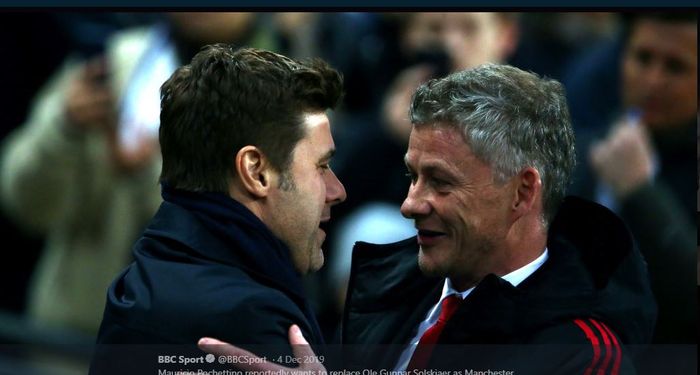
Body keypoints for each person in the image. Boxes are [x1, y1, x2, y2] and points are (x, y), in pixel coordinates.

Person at [199, 64, 657, 374]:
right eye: (412, 176)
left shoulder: (582, 356)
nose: (411, 203)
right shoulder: (390, 285)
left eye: (440, 182)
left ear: (522, 192)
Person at [0, 12, 279, 336]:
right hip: (70, 336)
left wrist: (146, 175)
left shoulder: (284, 89)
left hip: (197, 344)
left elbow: (265, 232)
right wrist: (64, 129)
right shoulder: (113, 61)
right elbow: (22, 201)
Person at [89, 45, 345, 374]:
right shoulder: (252, 323)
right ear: (256, 172)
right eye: (322, 166)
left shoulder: (140, 279)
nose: (337, 191)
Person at [569, 12, 697, 343]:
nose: (653, 80)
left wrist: (642, 193)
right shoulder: (581, 149)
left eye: (675, 67)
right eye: (642, 58)